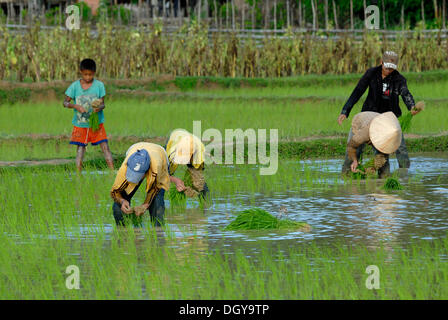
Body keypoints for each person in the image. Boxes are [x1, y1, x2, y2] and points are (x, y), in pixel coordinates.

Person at [337, 51, 421, 174]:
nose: (388, 71)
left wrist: (412, 106)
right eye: (386, 67)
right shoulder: (371, 74)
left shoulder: (399, 79)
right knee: (355, 147)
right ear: (381, 62)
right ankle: (347, 173)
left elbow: (405, 93)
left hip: (390, 121)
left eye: (391, 69)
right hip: (369, 117)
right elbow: (358, 91)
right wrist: (345, 111)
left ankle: (403, 175)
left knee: (399, 148)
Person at [63, 58, 114, 172]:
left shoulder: (99, 85)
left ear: (94, 73)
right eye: (85, 74)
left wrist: (98, 108)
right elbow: (65, 103)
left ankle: (112, 172)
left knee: (105, 147)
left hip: (96, 124)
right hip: (81, 124)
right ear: (81, 72)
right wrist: (76, 106)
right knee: (80, 148)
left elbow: (103, 104)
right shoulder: (74, 86)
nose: (87, 77)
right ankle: (78, 173)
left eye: (90, 75)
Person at [110, 142, 170, 227]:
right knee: (119, 204)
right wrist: (122, 201)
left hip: (160, 155)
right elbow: (114, 191)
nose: (135, 180)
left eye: (138, 177)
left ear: (145, 172)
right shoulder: (124, 168)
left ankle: (158, 231)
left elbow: (155, 189)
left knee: (157, 201)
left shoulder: (156, 168)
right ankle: (122, 231)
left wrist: (145, 205)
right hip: (135, 148)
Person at [345, 111, 402, 178]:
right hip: (360, 122)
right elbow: (351, 146)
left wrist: (373, 166)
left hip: (378, 121)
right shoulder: (364, 133)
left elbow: (383, 156)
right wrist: (354, 160)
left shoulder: (392, 133)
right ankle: (347, 175)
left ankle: (384, 177)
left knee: (383, 161)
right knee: (352, 157)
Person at [165, 129, 208, 198]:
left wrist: (190, 184)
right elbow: (163, 174)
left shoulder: (199, 151)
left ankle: (206, 202)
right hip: (175, 137)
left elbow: (198, 175)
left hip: (192, 143)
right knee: (163, 177)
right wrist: (176, 181)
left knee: (199, 180)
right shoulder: (171, 152)